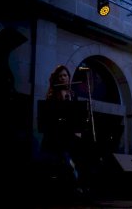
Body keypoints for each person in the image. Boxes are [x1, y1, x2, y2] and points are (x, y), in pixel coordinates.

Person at [41, 65, 91, 198]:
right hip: (56, 135)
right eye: (60, 76)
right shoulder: (52, 95)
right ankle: (71, 187)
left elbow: (76, 117)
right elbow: (49, 118)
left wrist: (79, 129)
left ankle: (79, 187)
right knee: (64, 161)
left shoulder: (73, 94)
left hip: (70, 135)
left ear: (69, 78)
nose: (63, 78)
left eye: (65, 75)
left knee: (80, 156)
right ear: (57, 78)